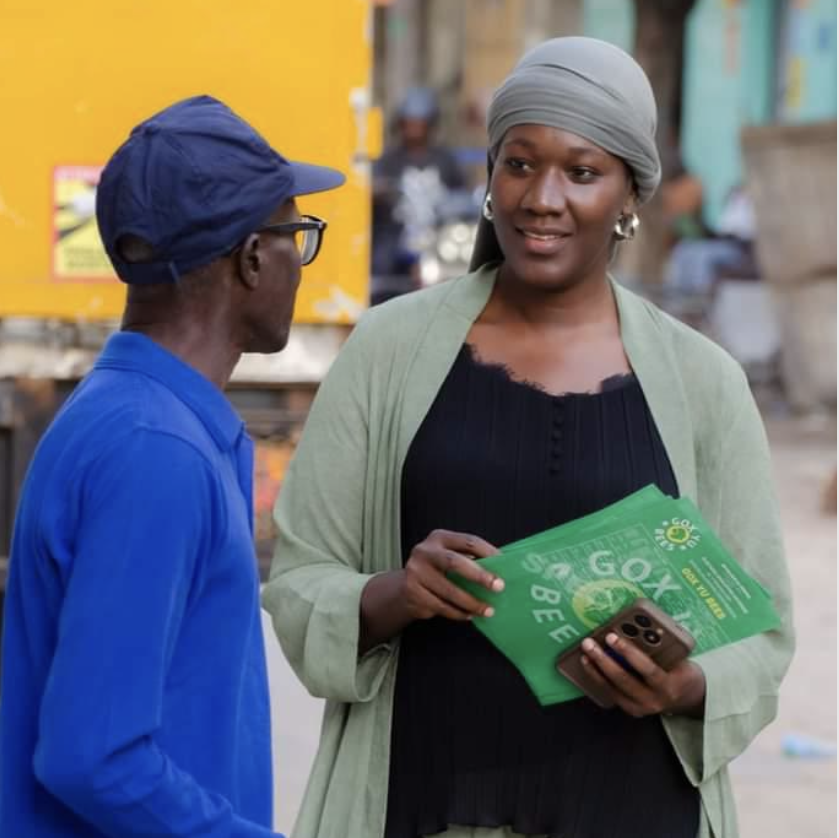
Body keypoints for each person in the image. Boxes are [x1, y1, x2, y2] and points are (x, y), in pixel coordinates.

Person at [264, 38, 794, 838]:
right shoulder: (387, 351)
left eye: (581, 172)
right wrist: (394, 594)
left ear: (629, 195)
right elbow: (302, 580)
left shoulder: (703, 384)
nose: (543, 197)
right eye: (519, 164)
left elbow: (761, 633)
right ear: (488, 179)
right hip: (425, 805)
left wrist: (682, 685)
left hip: (636, 811)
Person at [0, 95, 344, 838]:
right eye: (297, 235)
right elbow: (95, 757)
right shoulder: (158, 452)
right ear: (251, 256)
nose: (300, 264)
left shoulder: (132, 417)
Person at [371, 87, 468, 304]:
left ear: (430, 125)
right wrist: (381, 191)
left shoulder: (446, 159)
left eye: (419, 123)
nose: (413, 130)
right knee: (380, 266)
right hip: (396, 232)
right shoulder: (389, 159)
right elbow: (373, 188)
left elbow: (461, 194)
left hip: (437, 232)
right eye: (409, 123)